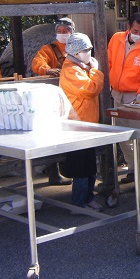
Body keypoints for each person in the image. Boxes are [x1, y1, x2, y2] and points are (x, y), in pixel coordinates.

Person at [108, 13, 140, 188]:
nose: (139, 33)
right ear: (128, 27)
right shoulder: (116, 39)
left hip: (135, 96)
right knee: (122, 135)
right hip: (117, 93)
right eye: (136, 30)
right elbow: (108, 63)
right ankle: (132, 169)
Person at [59, 33, 104, 211]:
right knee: (80, 167)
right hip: (77, 126)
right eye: (86, 50)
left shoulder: (81, 67)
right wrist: (95, 70)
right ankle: (78, 203)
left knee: (89, 165)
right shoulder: (71, 70)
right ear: (76, 52)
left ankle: (88, 197)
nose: (89, 53)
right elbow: (91, 89)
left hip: (88, 125)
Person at [31, 17, 75, 184]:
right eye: (59, 31)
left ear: (72, 32)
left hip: (75, 97)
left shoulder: (76, 47)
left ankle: (70, 169)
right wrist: (47, 70)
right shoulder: (48, 49)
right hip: (56, 99)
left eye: (65, 31)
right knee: (55, 134)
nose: (62, 34)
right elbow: (37, 63)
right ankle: (54, 172)